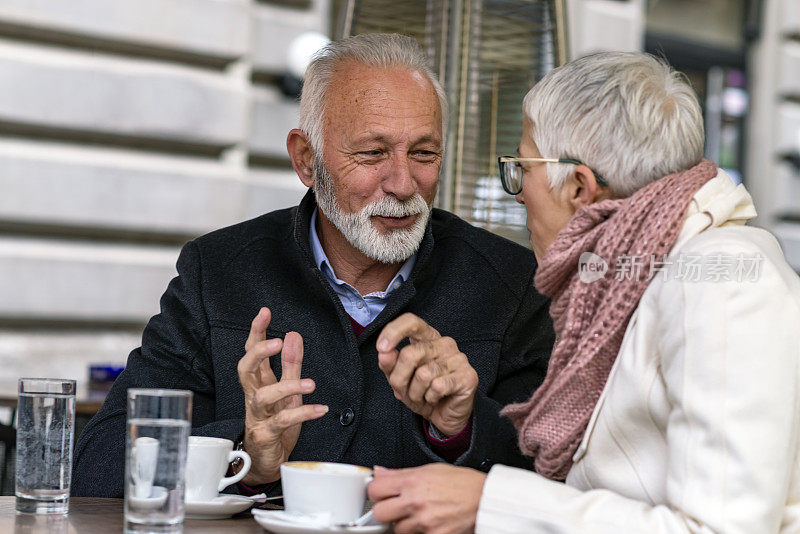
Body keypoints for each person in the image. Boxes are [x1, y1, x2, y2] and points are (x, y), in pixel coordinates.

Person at [71, 33, 554, 497]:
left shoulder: (511, 284)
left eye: (424, 153)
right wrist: (245, 456)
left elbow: (561, 475)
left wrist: (461, 428)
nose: (404, 184)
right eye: (373, 153)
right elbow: (103, 467)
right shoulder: (216, 273)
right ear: (306, 159)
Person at [367, 51, 800, 533]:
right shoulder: (630, 279)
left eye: (521, 169)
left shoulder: (720, 283)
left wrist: (491, 506)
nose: (518, 193)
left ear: (578, 188)